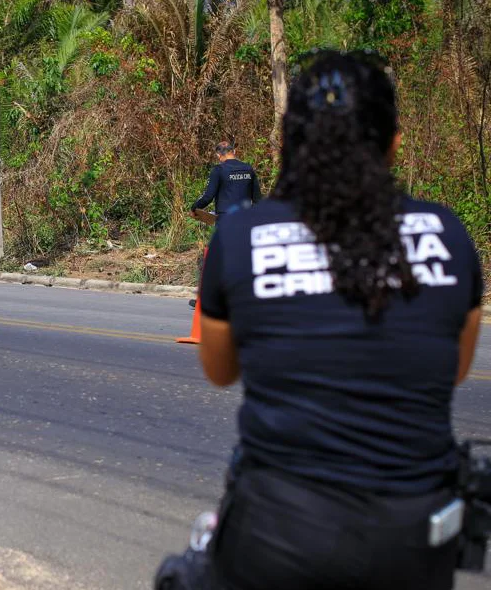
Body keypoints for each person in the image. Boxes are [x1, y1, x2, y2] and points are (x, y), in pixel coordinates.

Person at [195, 50, 484, 590]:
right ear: (394, 141)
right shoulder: (449, 234)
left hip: (276, 535)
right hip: (413, 539)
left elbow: (219, 368)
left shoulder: (241, 239)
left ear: (289, 145)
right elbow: (456, 367)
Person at [190, 141, 262, 218]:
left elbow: (208, 197)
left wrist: (194, 208)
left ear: (218, 155)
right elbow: (257, 198)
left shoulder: (218, 170)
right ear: (234, 152)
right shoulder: (248, 168)